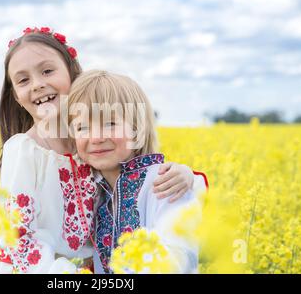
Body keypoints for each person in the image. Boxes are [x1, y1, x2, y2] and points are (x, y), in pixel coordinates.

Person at [0, 27, 203, 273]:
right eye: (23, 80)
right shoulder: (24, 150)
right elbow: (18, 236)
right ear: (16, 96)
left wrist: (185, 174)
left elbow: (142, 179)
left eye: (47, 71)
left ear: (73, 74)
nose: (37, 84)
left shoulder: (88, 150)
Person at [67, 70, 208, 273]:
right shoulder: (88, 189)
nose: (95, 138)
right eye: (82, 127)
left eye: (110, 124)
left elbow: (180, 258)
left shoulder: (168, 181)